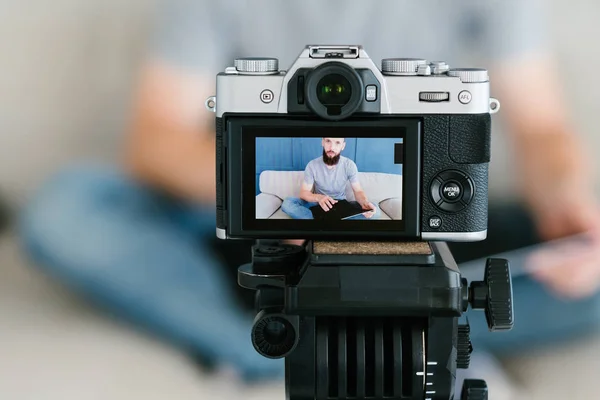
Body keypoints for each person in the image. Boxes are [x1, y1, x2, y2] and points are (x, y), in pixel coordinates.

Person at [16, 0, 600, 390]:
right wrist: (281, 206)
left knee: (589, 262)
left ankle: (303, 334)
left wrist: (566, 201)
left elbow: (542, 128)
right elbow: (156, 141)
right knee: (67, 208)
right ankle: (302, 339)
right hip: (251, 240)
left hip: (426, 231)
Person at [281, 137, 379, 220]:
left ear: (343, 146)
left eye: (337, 143)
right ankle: (334, 219)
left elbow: (358, 191)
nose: (332, 147)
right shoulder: (312, 165)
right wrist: (319, 197)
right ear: (322, 142)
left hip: (341, 204)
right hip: (318, 204)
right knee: (287, 203)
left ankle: (322, 220)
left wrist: (364, 202)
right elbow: (304, 193)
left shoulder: (349, 165)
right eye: (328, 141)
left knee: (375, 210)